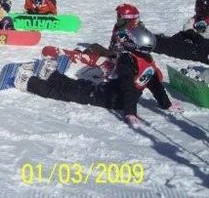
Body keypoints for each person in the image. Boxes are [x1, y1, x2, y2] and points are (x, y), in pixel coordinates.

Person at [17, 25, 182, 126]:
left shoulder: (136, 60)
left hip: (109, 97)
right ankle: (43, 77)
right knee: (74, 88)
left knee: (67, 91)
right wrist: (135, 110)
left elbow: (142, 85)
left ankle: (32, 81)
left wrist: (135, 110)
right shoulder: (138, 59)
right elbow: (140, 84)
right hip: (107, 94)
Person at [154, 0, 209, 64]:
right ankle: (160, 42)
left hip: (204, 46)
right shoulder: (196, 18)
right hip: (195, 41)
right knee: (180, 36)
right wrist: (190, 32)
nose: (197, 10)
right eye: (196, 8)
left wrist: (200, 38)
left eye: (199, 9)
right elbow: (188, 25)